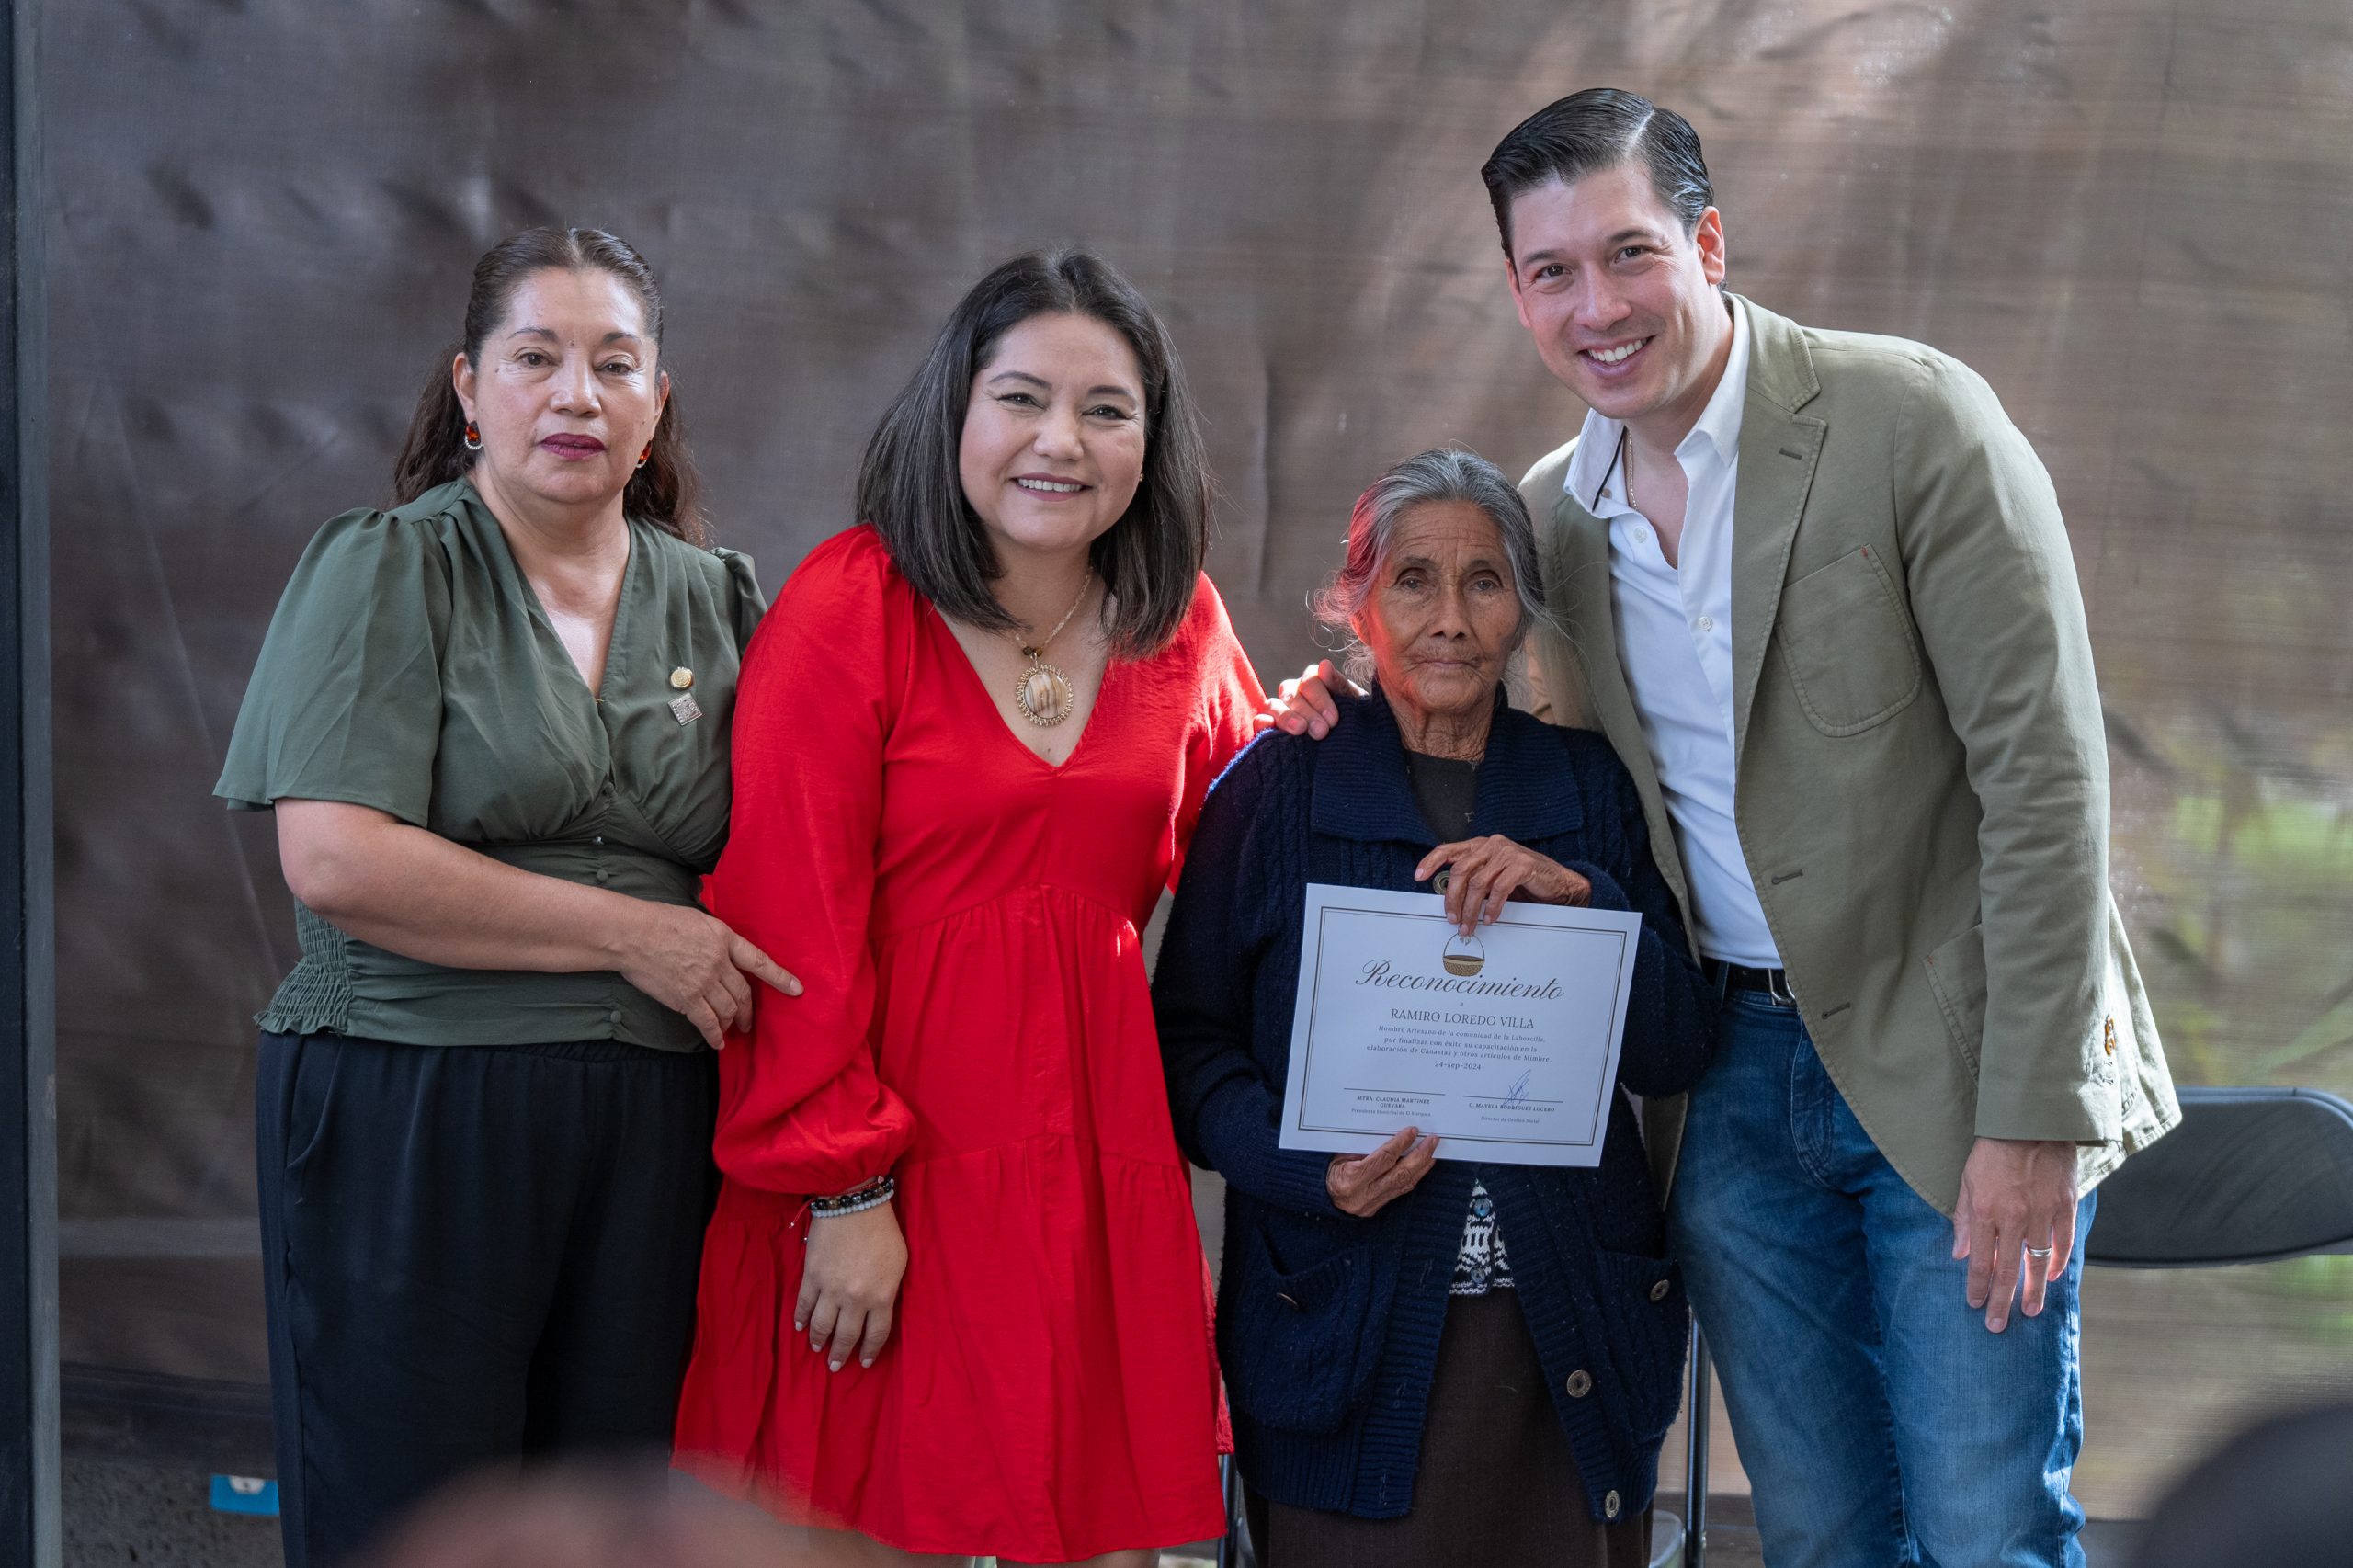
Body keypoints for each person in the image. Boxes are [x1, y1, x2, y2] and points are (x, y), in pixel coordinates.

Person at [1268, 90, 2181, 1567]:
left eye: (1628, 255)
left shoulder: (1913, 419)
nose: (1597, 306)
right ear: (1516, 289)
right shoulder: (1554, 518)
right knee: (1817, 1532)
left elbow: (2049, 778)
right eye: (1551, 271)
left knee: (1982, 1523)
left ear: (1706, 240)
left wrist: (2031, 1113)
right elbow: (1468, 687)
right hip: (1728, 1090)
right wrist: (1340, 697)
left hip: (1955, 1056)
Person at [671, 249, 1265, 1568]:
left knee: (1099, 1540)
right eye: (1021, 398)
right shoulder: (853, 605)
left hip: (1089, 1170)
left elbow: (1264, 827)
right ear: (956, 412)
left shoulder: (1180, 625)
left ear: (1150, 441)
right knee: (872, 1533)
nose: (1061, 440)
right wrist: (845, 1193)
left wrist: (1354, 730)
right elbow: (786, 918)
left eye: (1107, 409)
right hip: (885, 1166)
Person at [216, 227, 791, 1568]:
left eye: (614, 363)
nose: (576, 395)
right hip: (414, 1099)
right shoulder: (388, 564)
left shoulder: (723, 600)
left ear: (657, 405)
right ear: (470, 388)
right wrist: (632, 931)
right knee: (419, 1526)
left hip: (658, 1123)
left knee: (614, 1524)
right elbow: (336, 859)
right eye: (537, 358)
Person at [1156, 449, 1714, 1568]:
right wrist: (1301, 1167)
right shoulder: (1274, 791)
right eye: (1412, 579)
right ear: (1354, 602)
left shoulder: (1589, 789)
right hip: (1343, 1337)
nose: (1449, 618)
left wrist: (1583, 900)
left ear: (1523, 612)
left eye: (1485, 581)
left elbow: (1675, 1046)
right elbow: (1190, 1047)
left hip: (1565, 1342)